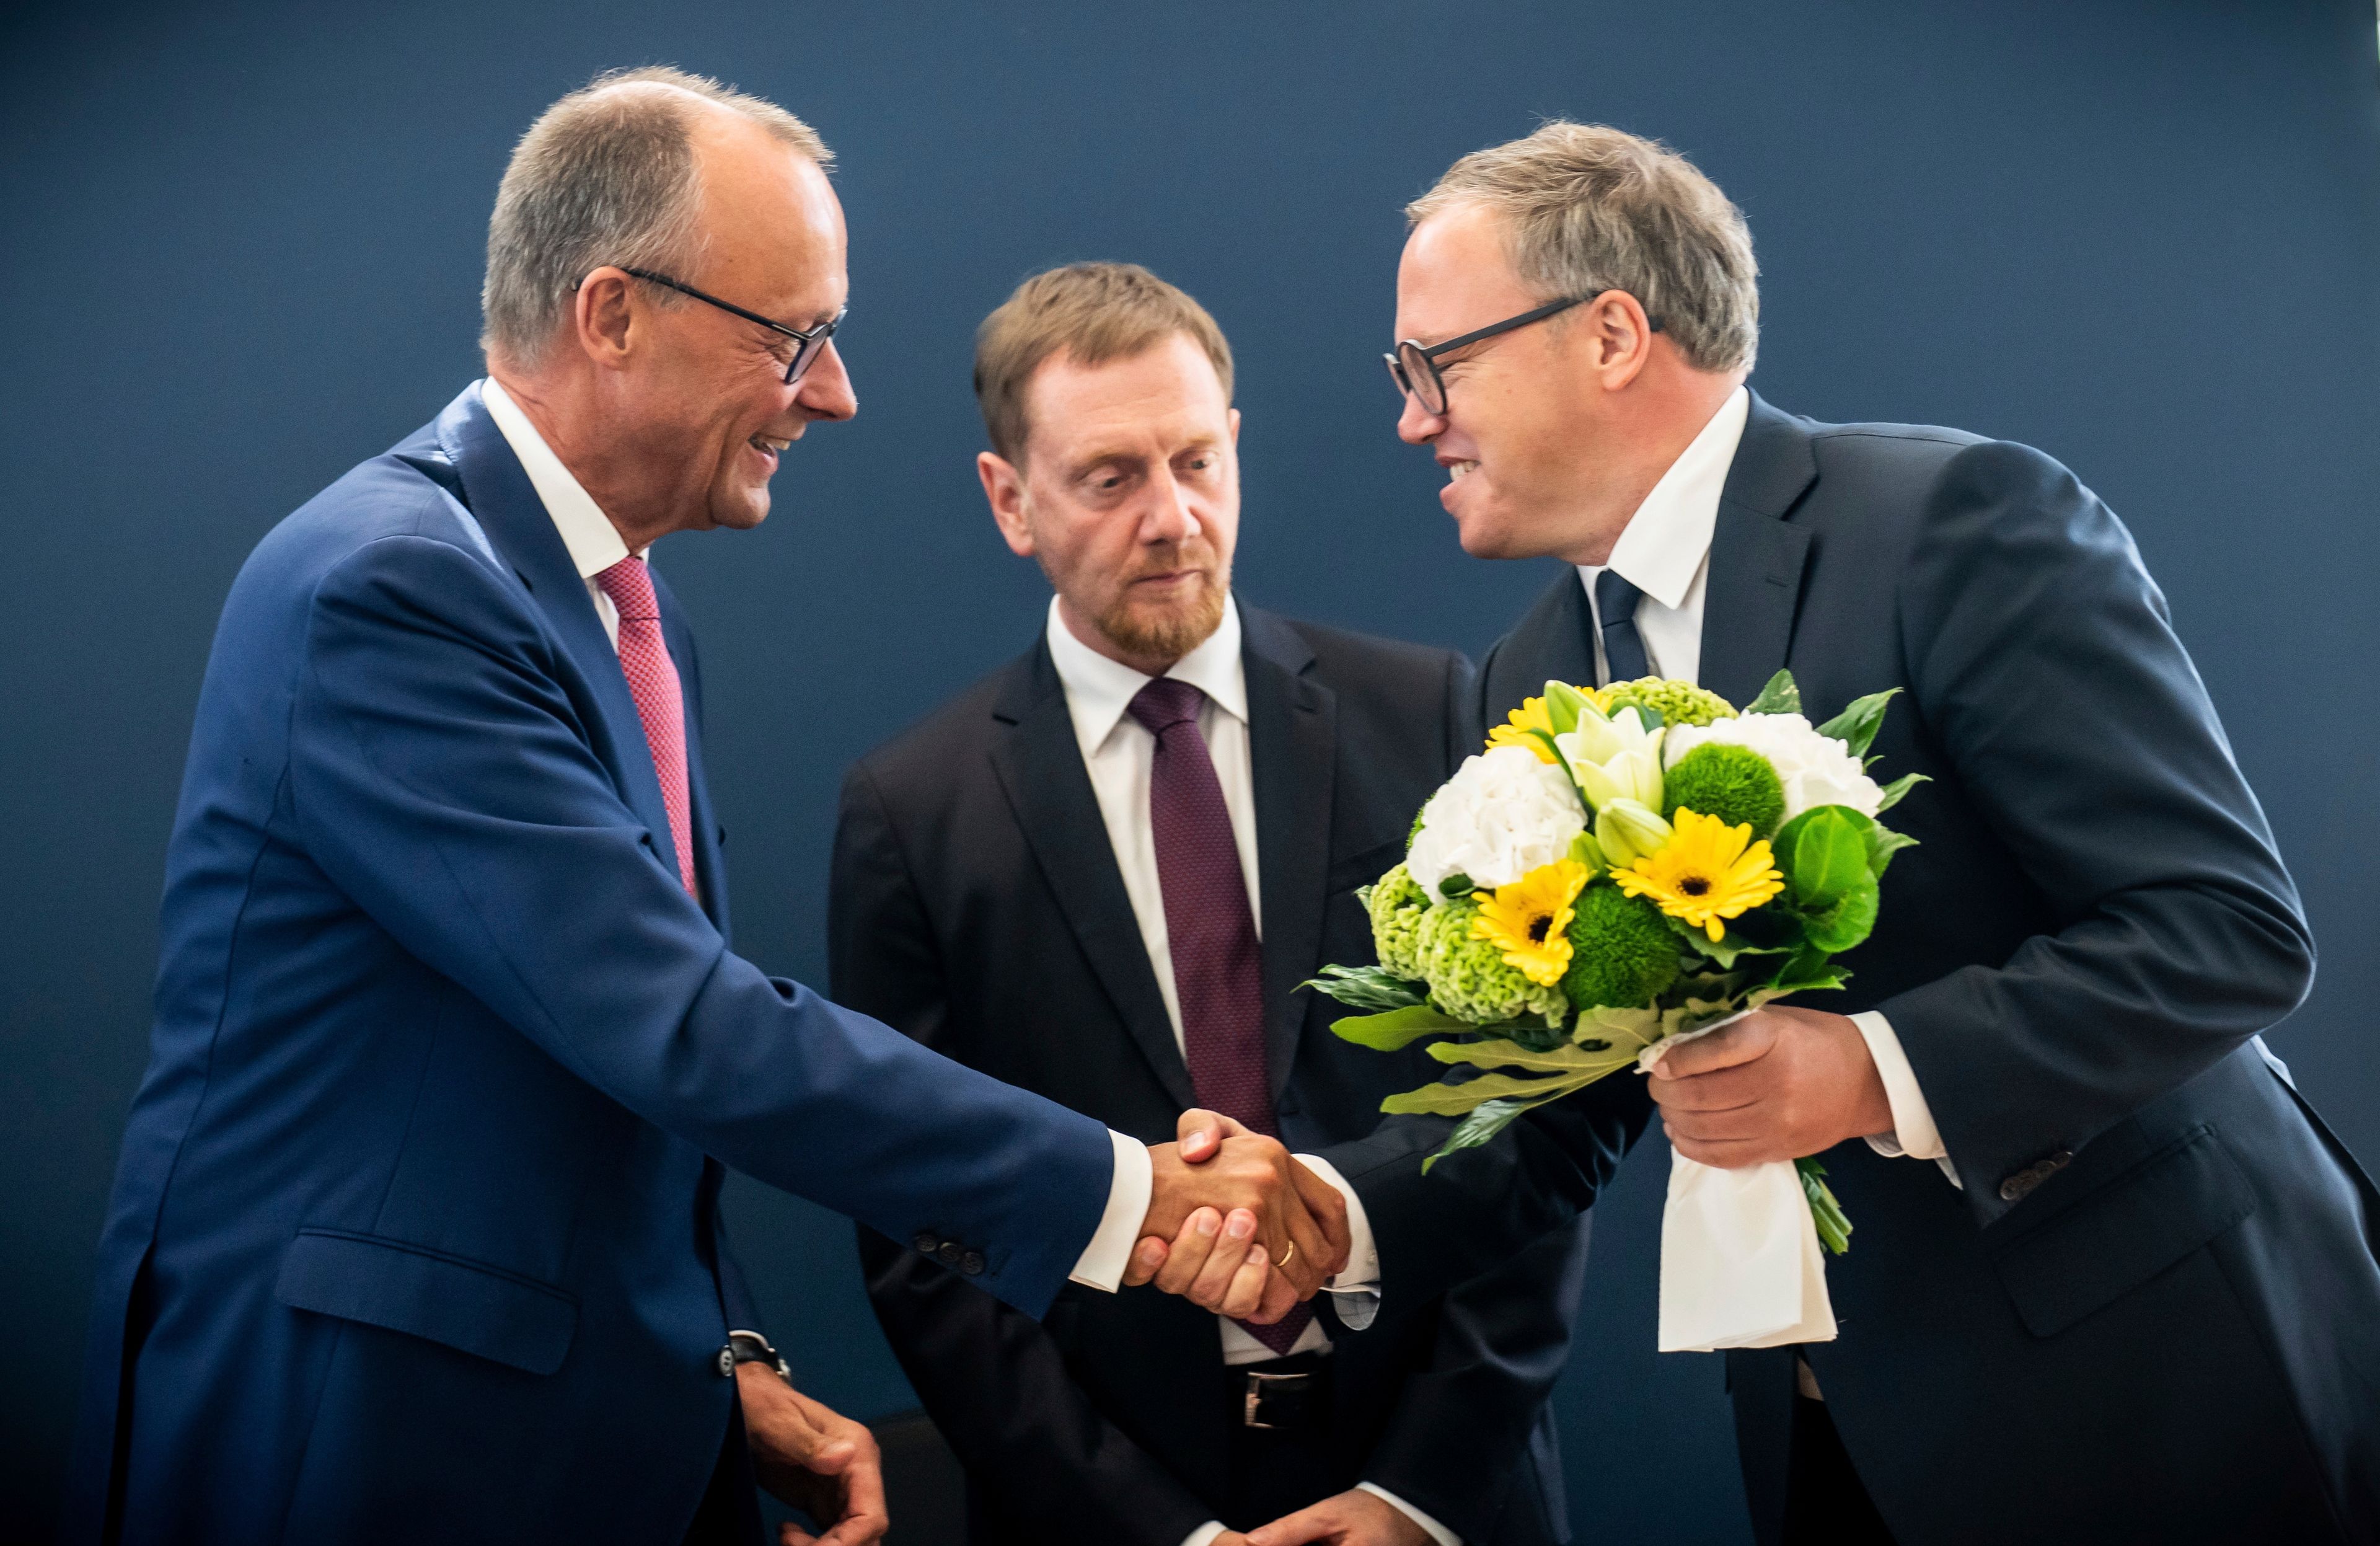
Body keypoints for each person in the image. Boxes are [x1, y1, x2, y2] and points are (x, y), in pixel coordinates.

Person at [61, 69, 1344, 1546]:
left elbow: (605, 1078)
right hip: (362, 1439)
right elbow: (681, 1022)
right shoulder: (390, 590)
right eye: (796, 337)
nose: (839, 391)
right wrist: (1134, 1195)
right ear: (613, 314)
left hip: (584, 1416)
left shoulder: (618, 604)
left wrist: (719, 1347)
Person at [1158, 122, 2380, 1545]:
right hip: (1824, 1429)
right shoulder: (1522, 674)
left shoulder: (1954, 523)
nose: (1414, 419)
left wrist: (1874, 1067)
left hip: (2150, 1387)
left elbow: (2225, 929)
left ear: (1611, 332)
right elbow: (1587, 1090)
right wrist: (1331, 1207)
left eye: (1436, 364)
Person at [835, 263, 1588, 1546]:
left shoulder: (1437, 718)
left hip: (1448, 1493)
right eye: (1110, 477)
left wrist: (1422, 1489)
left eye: (1196, 460)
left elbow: (1534, 1109)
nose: (1173, 517)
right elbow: (922, 1232)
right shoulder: (915, 808)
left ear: (1236, 447)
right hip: (1110, 1505)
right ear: (1009, 499)